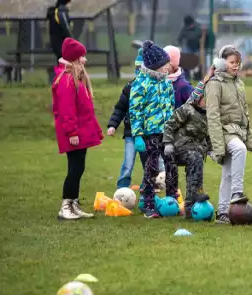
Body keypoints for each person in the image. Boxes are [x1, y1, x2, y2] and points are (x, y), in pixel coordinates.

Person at [52, 37, 103, 220]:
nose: (85, 60)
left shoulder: (75, 79)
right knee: (75, 168)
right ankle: (66, 205)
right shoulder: (66, 81)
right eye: (82, 56)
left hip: (80, 132)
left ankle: (73, 204)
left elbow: (86, 109)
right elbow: (67, 110)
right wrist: (71, 132)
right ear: (74, 58)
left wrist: (95, 130)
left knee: (78, 167)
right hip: (74, 133)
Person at [205, 45, 252, 224]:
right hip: (223, 133)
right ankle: (237, 192)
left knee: (227, 173)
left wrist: (248, 137)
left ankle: (223, 212)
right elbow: (212, 116)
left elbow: (245, 113)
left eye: (237, 63)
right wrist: (217, 146)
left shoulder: (239, 83)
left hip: (237, 132)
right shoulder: (214, 84)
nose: (235, 66)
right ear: (221, 62)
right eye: (232, 62)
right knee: (239, 149)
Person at [129, 40, 178, 219]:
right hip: (149, 134)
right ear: (156, 66)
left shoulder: (166, 83)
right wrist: (138, 135)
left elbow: (172, 106)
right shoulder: (140, 84)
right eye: (165, 65)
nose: (168, 68)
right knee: (152, 168)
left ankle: (172, 200)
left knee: (171, 166)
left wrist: (174, 127)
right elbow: (135, 112)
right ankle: (148, 203)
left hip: (167, 132)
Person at [106, 49, 164, 190]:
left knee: (149, 162)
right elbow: (120, 108)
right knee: (128, 162)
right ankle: (122, 187)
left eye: (141, 68)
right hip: (131, 134)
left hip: (148, 134)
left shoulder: (154, 87)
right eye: (137, 68)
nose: (139, 72)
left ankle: (149, 186)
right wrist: (113, 124)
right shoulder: (129, 87)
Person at [163, 67, 215, 219]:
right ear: (199, 99)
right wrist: (168, 144)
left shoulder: (210, 115)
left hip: (196, 151)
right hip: (178, 148)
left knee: (196, 163)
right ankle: (191, 198)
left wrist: (211, 150)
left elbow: (209, 135)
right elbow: (169, 125)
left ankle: (191, 205)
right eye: (206, 98)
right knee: (195, 159)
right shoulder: (187, 109)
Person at [46, 0, 73, 82]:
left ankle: (61, 81)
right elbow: (66, 28)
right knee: (65, 62)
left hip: (56, 43)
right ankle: (64, 81)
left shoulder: (55, 12)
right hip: (61, 44)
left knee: (61, 62)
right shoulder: (61, 12)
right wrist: (71, 40)